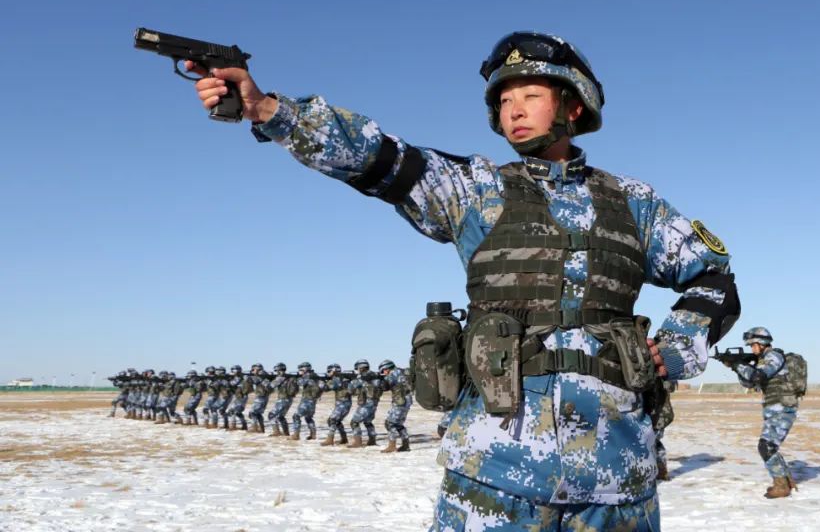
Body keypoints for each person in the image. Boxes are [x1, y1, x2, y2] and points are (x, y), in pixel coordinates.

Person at [187, 31, 739, 530]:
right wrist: (268, 110)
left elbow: (714, 278)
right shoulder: (474, 191)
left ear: (573, 105)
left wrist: (679, 342)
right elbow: (377, 156)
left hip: (617, 482)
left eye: (529, 96)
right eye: (503, 101)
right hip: (493, 477)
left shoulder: (633, 202)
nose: (513, 111)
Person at [724, 327, 805, 499]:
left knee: (766, 446)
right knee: (769, 446)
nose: (751, 348)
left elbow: (758, 377)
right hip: (774, 408)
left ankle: (781, 485)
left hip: (782, 406)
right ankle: (785, 481)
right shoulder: (762, 360)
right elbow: (749, 384)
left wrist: (738, 364)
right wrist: (735, 367)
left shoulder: (773, 357)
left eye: (753, 344)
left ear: (761, 343)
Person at [378, 360, 412, 453]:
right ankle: (406, 445)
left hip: (400, 401)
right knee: (398, 424)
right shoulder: (402, 371)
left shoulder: (392, 374)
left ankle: (392, 446)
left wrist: (381, 379)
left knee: (389, 423)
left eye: (384, 370)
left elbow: (385, 388)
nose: (383, 372)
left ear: (388, 368)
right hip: (407, 399)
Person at [347, 360, 382, 448]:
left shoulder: (362, 377)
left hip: (366, 404)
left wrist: (351, 381)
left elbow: (350, 390)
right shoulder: (375, 376)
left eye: (358, 368)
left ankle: (357, 442)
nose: (357, 370)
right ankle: (372, 440)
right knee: (368, 422)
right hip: (374, 403)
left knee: (354, 422)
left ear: (361, 367)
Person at [321, 363, 352, 446]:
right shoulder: (344, 378)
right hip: (344, 403)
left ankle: (330, 439)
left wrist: (320, 380)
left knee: (332, 420)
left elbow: (325, 388)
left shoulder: (336, 379)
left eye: (329, 371)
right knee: (336, 421)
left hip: (343, 403)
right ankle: (344, 438)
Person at [291, 362, 322, 441]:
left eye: (301, 369)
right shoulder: (315, 376)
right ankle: (313, 434)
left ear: (305, 369)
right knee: (308, 418)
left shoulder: (307, 376)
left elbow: (300, 383)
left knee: (296, 416)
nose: (300, 370)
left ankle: (296, 435)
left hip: (306, 400)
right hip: (313, 401)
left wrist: (298, 377)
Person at [267, 362, 298, 437]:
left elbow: (270, 386)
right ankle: (286, 433)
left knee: (271, 415)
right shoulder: (289, 377)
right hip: (289, 399)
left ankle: (276, 432)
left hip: (282, 399)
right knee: (281, 416)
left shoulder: (280, 378)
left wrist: (268, 379)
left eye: (276, 370)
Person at [247, 363, 272, 433]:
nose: (252, 370)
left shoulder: (260, 375)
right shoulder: (265, 375)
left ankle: (254, 427)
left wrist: (252, 375)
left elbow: (255, 381)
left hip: (261, 396)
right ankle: (261, 428)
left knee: (252, 413)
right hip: (264, 396)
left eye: (253, 369)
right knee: (258, 413)